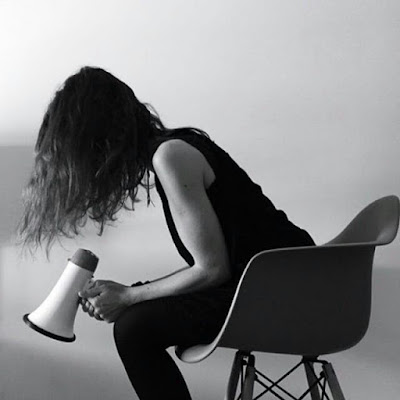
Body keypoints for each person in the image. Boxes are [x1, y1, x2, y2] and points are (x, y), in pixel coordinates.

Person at [18, 66, 315, 400]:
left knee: (135, 328)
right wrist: (125, 294)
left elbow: (212, 270)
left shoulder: (171, 156)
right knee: (136, 319)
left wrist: (128, 297)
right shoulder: (174, 150)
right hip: (275, 282)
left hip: (288, 288)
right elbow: (215, 270)